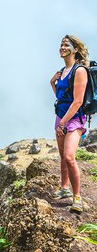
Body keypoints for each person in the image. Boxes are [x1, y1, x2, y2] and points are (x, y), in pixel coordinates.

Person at [50, 35, 89, 213]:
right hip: (61, 117)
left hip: (73, 120)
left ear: (75, 49)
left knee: (69, 157)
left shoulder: (79, 70)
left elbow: (77, 102)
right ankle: (64, 187)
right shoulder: (63, 70)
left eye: (66, 45)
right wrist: (52, 83)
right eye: (61, 44)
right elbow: (61, 98)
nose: (62, 47)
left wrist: (63, 123)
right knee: (62, 155)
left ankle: (77, 198)